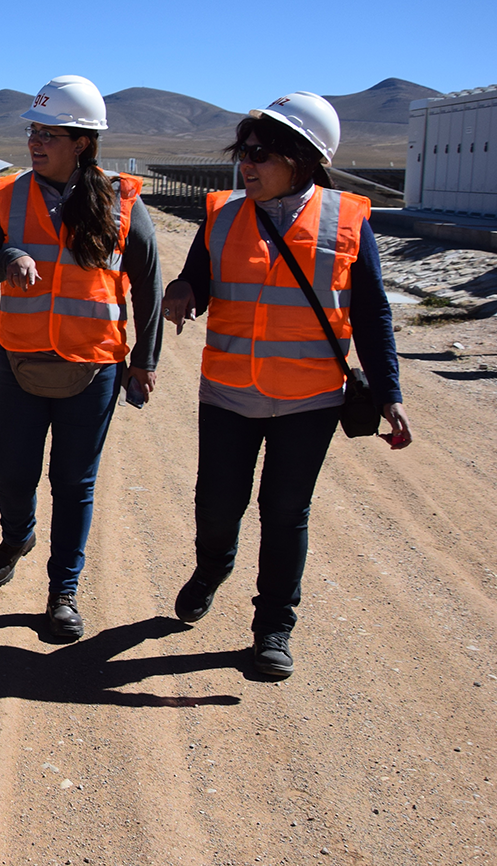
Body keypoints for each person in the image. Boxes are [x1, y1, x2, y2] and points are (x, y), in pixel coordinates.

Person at [162, 91, 411, 679]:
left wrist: (390, 392)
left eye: (260, 154)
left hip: (310, 398)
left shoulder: (347, 219)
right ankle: (213, 566)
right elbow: (197, 275)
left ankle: (273, 624)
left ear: (301, 159)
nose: (246, 164)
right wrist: (182, 289)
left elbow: (373, 311)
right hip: (227, 391)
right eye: (244, 152)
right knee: (218, 505)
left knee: (284, 512)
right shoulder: (222, 212)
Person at [0, 75, 162, 642]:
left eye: (50, 133)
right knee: (12, 471)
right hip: (20, 361)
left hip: (93, 367)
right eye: (33, 130)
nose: (36, 141)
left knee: (74, 483)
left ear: (82, 141)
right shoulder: (9, 195)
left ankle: (62, 593)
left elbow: (146, 283)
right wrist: (8, 256)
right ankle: (18, 533)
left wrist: (144, 361)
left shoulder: (123, 199)